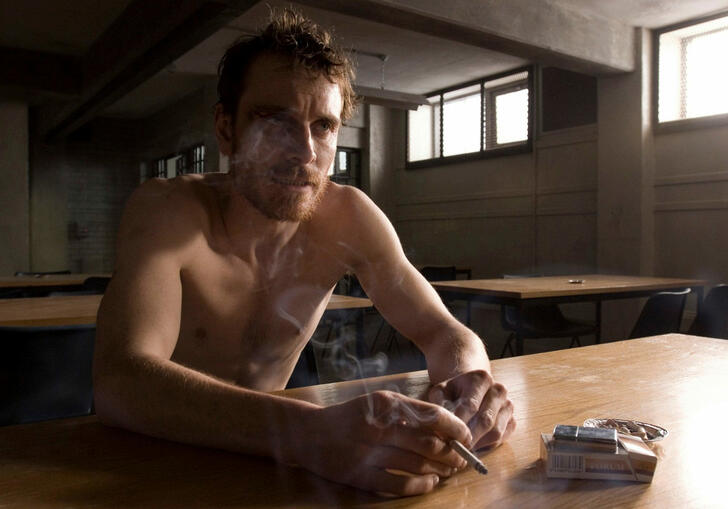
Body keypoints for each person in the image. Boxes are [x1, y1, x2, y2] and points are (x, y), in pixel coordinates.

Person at [94, 9, 515, 497]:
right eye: (275, 120)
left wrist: (471, 387)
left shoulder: (349, 216)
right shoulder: (168, 210)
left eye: (322, 125)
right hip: (149, 464)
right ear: (226, 129)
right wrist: (309, 433)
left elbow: (445, 333)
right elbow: (122, 381)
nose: (304, 151)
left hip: (273, 468)